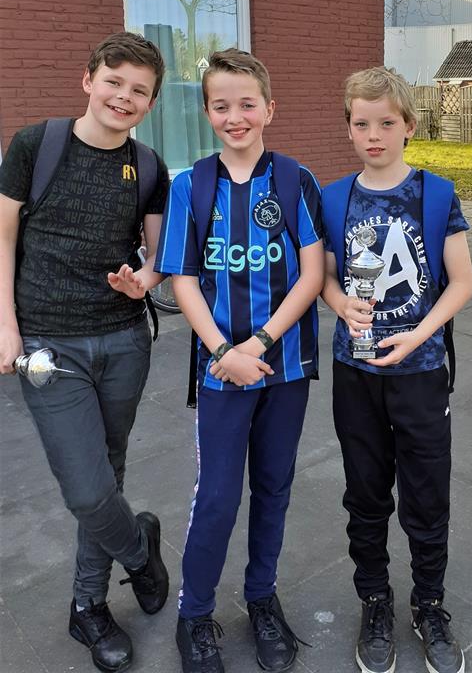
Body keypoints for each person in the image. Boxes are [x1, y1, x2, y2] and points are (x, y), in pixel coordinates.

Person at [0, 32, 171, 672]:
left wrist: (143, 279)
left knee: (108, 472)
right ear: (88, 80)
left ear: (151, 102)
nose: (123, 97)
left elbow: (156, 256)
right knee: (87, 489)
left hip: (124, 341)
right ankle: (140, 551)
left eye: (139, 91)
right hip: (48, 344)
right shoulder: (35, 145)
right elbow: (2, 238)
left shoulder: (148, 167)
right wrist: (5, 325)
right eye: (114, 82)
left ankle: (88, 606)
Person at [154, 48, 325, 673]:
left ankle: (261, 597)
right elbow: (183, 280)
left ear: (269, 109)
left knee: (274, 487)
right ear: (206, 112)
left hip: (284, 367)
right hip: (222, 371)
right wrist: (225, 351)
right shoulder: (191, 186)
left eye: (247, 104)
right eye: (221, 106)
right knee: (219, 496)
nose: (235, 117)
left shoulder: (295, 180)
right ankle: (194, 613)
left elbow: (311, 274)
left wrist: (261, 344)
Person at [321, 67, 472, 673]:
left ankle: (429, 603)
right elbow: (325, 276)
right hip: (356, 371)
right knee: (364, 492)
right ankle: (375, 601)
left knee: (427, 493)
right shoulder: (334, 198)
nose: (374, 135)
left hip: (422, 369)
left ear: (409, 125)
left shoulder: (436, 194)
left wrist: (419, 333)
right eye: (362, 124)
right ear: (348, 128)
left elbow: (460, 282)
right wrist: (339, 302)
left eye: (386, 123)